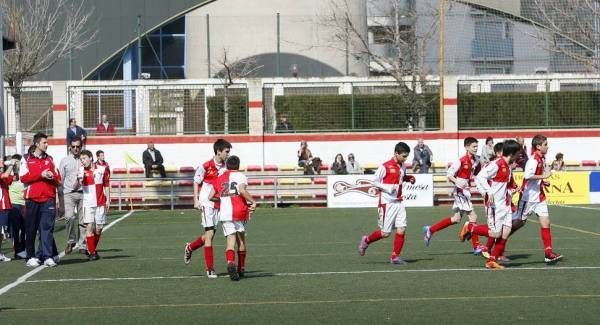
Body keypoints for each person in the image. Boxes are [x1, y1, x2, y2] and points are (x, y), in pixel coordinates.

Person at [357, 142, 416, 264]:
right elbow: (374, 181)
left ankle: (395, 257)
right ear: (396, 153)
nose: (405, 159)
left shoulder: (402, 166)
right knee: (385, 233)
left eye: (406, 156)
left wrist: (408, 178)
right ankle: (366, 240)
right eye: (404, 156)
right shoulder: (385, 166)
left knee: (402, 229)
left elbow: (401, 177)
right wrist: (388, 188)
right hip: (387, 202)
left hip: (399, 202)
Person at [423, 137, 483, 254]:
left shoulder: (476, 160)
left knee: (456, 219)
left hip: (465, 191)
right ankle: (476, 246)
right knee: (473, 217)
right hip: (460, 192)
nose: (476, 148)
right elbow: (449, 174)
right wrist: (458, 182)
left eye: (476, 146)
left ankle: (430, 230)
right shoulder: (460, 161)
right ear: (466, 147)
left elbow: (477, 173)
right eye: (473, 146)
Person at [510, 134, 563, 263]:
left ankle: (548, 253)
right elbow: (527, 176)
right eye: (545, 144)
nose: (547, 146)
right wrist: (544, 176)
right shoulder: (533, 160)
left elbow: (537, 177)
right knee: (518, 223)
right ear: (538, 146)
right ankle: (498, 239)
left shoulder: (541, 158)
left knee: (546, 223)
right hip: (528, 198)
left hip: (539, 197)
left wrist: (543, 182)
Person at [184, 139, 231, 279]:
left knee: (209, 235)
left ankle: (190, 247)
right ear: (218, 151)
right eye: (226, 152)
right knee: (210, 234)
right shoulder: (205, 166)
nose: (228, 155)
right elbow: (196, 181)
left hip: (217, 203)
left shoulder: (225, 167)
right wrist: (196, 200)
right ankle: (209, 269)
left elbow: (225, 184)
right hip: (206, 202)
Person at [472, 139, 521, 269]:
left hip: (505, 205)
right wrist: (488, 191)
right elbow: (480, 177)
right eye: (518, 154)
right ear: (512, 153)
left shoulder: (508, 168)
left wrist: (512, 191)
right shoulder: (497, 164)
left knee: (505, 232)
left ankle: (491, 260)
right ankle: (471, 229)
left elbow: (505, 188)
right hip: (495, 206)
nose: (519, 156)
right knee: (496, 234)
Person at [209, 155, 257, 281]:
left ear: (227, 165)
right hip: (240, 212)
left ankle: (231, 262)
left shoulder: (220, 178)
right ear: (238, 165)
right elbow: (241, 190)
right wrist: (253, 201)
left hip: (226, 213)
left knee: (230, 243)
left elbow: (210, 197)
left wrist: (222, 199)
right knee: (241, 241)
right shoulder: (241, 176)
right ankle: (241, 268)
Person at [20, 132, 62, 267]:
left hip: (48, 199)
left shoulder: (50, 159)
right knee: (31, 229)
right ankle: (30, 256)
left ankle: (47, 256)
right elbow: (23, 177)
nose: (47, 145)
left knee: (47, 229)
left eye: (47, 142)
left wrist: (51, 176)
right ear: (37, 144)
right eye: (44, 143)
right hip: (32, 199)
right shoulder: (25, 159)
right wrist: (41, 174)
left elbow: (58, 179)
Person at [76, 150, 110, 261]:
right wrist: (78, 178)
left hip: (100, 202)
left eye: (84, 158)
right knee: (89, 227)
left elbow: (106, 184)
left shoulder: (102, 169)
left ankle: (91, 249)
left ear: (90, 158)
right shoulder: (81, 171)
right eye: (81, 159)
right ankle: (92, 253)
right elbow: (76, 186)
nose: (83, 161)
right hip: (87, 203)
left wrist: (108, 200)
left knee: (99, 228)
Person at [58, 137, 86, 255]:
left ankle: (82, 244)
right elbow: (60, 180)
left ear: (81, 146)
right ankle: (71, 240)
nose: (75, 149)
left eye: (78, 146)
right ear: (70, 147)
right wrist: (59, 199)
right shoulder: (64, 160)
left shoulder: (85, 159)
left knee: (83, 220)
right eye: (73, 146)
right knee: (69, 217)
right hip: (68, 193)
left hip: (84, 193)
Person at [8, 154, 26, 260]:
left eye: (19, 161)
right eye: (16, 161)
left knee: (25, 228)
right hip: (14, 203)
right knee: (15, 228)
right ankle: (17, 251)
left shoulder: (24, 171)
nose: (17, 163)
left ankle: (23, 249)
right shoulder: (10, 171)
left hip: (24, 203)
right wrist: (11, 166)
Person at [0, 156, 17, 262]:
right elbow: (5, 175)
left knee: (2, 233)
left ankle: (0, 253)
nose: (2, 162)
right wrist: (11, 164)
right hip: (1, 207)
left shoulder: (3, 174)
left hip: (5, 206)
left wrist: (15, 166)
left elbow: (13, 178)